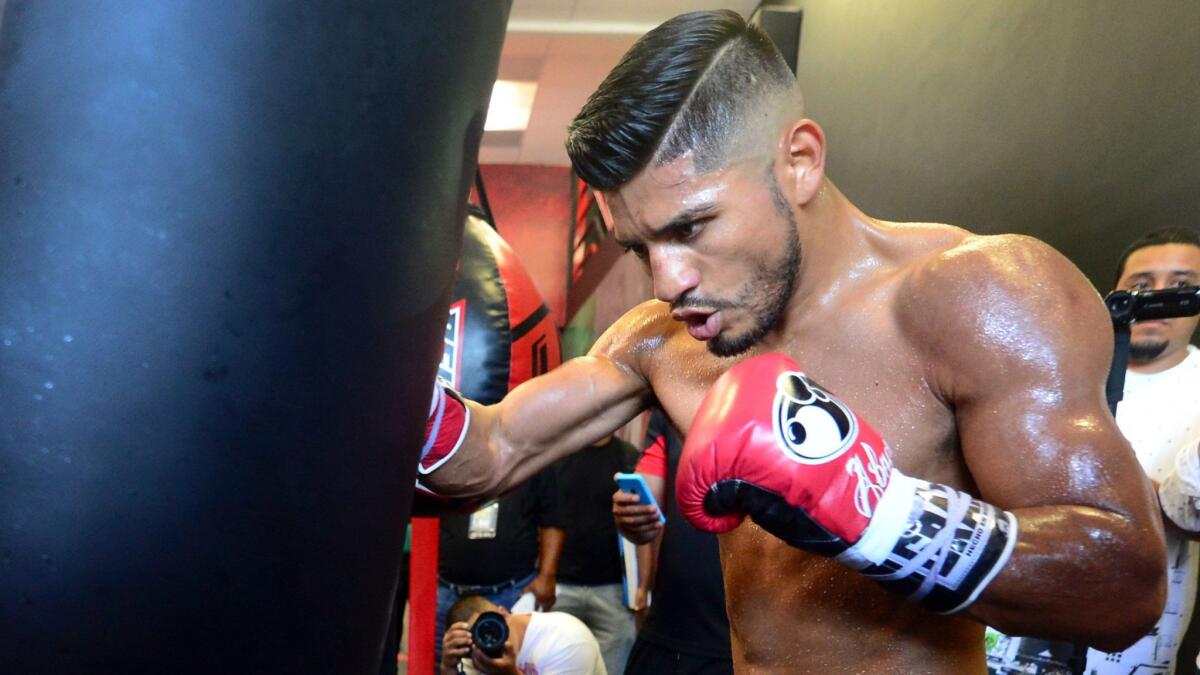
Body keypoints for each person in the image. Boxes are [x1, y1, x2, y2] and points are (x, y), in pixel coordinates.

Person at [417, 10, 1166, 673]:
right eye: (641, 247)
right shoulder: (664, 338)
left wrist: (882, 516)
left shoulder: (978, 296)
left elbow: (1123, 584)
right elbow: (491, 451)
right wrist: (376, 383)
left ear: (799, 160)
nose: (666, 282)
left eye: (690, 226)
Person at [1082, 228, 1200, 674]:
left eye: (1181, 285)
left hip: (1132, 653)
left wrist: (1099, 478)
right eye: (1143, 285)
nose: (1159, 298)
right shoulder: (1057, 367)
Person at [614, 409, 733, 674]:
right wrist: (633, 514)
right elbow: (646, 509)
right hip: (671, 623)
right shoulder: (672, 406)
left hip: (743, 636)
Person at [434, 466, 564, 664]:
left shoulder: (530, 453)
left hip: (510, 593)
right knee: (446, 663)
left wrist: (547, 575)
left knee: (508, 663)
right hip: (447, 590)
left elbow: (553, 518)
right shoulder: (451, 451)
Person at [550, 434, 641, 675]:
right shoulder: (560, 454)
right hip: (560, 585)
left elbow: (642, 522)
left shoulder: (628, 456)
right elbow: (544, 515)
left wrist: (640, 589)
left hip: (612, 588)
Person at [440, 595, 607, 675]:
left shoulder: (567, 639)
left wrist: (511, 674)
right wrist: (448, 668)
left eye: (491, 628)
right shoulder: (474, 656)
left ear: (503, 613)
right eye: (476, 638)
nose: (487, 642)